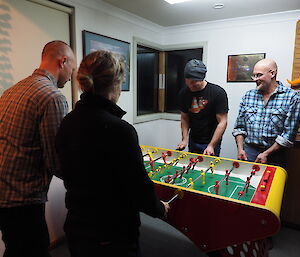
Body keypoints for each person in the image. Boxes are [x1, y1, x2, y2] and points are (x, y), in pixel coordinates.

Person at [55, 50, 170, 257]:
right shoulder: (120, 130)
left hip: (77, 227)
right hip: (112, 235)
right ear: (116, 84)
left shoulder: (68, 121)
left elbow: (63, 168)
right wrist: (159, 208)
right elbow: (138, 187)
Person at [0, 40, 76, 257]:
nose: (71, 75)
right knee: (33, 250)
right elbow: (56, 160)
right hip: (22, 198)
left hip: (3, 192)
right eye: (72, 67)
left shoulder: (12, 90)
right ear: (63, 62)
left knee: (15, 248)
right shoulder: (53, 97)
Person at [232, 58, 300, 167]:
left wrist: (266, 153)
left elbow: (288, 135)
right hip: (249, 151)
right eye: (254, 75)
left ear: (272, 73)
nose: (255, 79)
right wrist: (240, 149)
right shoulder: (248, 96)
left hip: (276, 154)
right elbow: (239, 127)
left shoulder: (291, 97)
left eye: (259, 75)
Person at [177, 59, 229, 156]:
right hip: (194, 140)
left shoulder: (218, 92)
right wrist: (184, 139)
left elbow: (223, 122)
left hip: (212, 141)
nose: (191, 85)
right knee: (193, 168)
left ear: (202, 78)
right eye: (189, 81)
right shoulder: (183, 93)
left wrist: (211, 145)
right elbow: (184, 118)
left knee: (209, 168)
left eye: (195, 81)